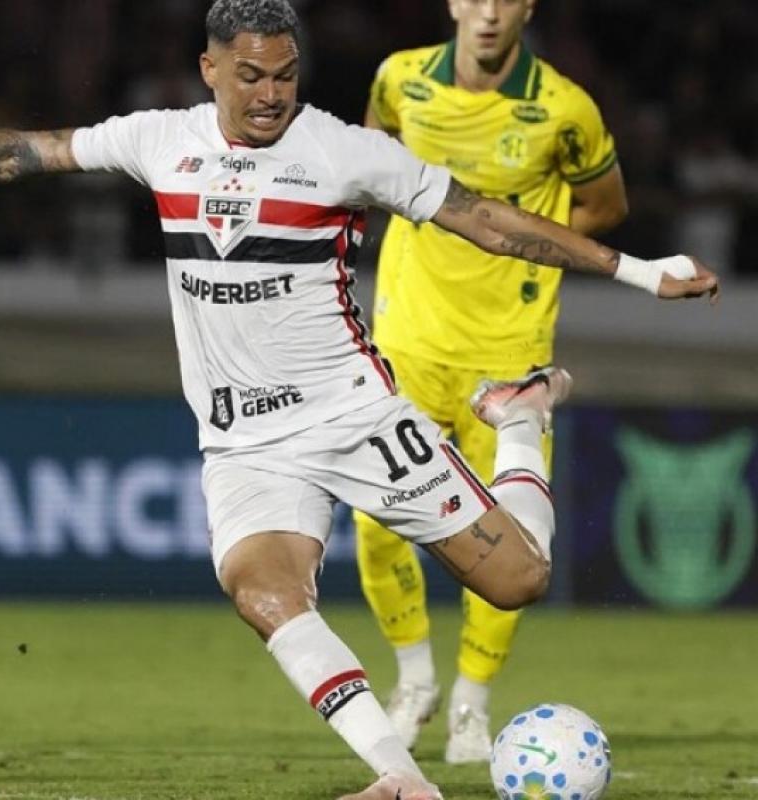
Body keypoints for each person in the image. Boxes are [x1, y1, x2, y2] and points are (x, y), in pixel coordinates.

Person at [0, 1, 717, 797]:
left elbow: (484, 216)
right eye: (249, 75)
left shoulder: (343, 151)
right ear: (209, 68)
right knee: (263, 593)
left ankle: (520, 420)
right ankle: (400, 777)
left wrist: (637, 270)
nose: (269, 94)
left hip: (354, 415)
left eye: (285, 76)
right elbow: (29, 153)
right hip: (246, 444)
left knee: (520, 580)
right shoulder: (159, 139)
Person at [353, 0, 630, 763]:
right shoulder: (399, 81)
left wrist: (514, 240)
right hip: (406, 340)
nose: (488, 12)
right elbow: (367, 165)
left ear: (527, 8)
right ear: (451, 3)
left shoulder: (565, 108)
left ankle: (472, 705)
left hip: (507, 351)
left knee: (507, 542)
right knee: (376, 525)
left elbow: (607, 205)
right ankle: (415, 680)